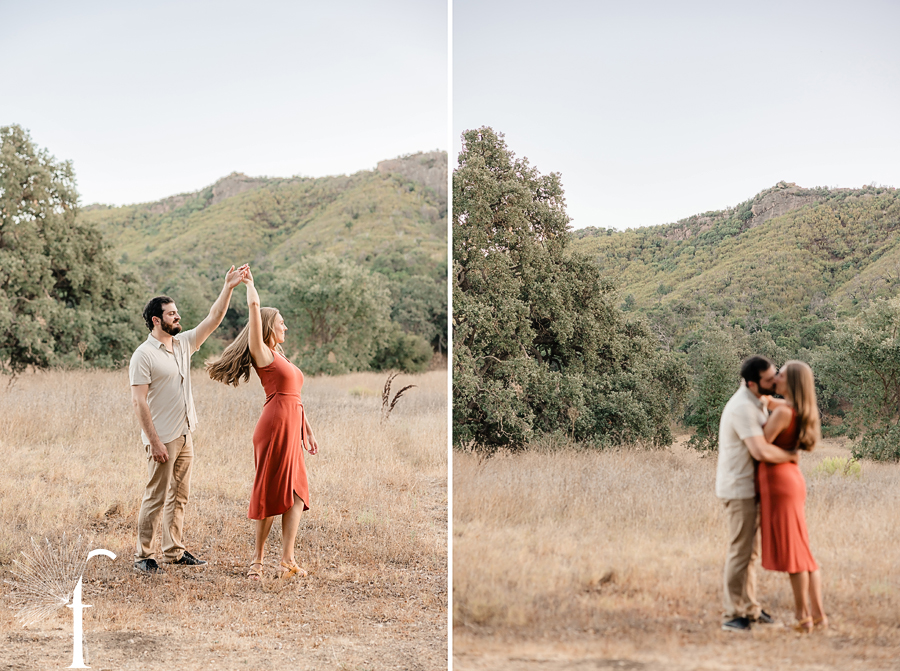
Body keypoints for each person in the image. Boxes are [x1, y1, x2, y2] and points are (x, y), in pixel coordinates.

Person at [130, 264, 249, 574]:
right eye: (171, 314)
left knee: (179, 496)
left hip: (185, 433)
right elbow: (138, 401)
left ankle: (173, 551)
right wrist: (154, 441)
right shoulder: (143, 355)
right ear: (156, 320)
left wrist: (229, 287)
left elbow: (213, 319)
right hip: (162, 437)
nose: (177, 317)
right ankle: (143, 555)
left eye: (177, 312)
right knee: (156, 496)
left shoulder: (183, 344)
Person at [206, 267, 319, 581]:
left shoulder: (281, 356)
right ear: (270, 324)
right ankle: (256, 562)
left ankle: (287, 560)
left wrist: (306, 428)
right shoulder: (262, 353)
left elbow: (294, 395)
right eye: (282, 321)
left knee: (297, 493)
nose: (286, 326)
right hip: (273, 427)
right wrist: (250, 287)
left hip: (291, 424)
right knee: (271, 491)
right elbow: (255, 309)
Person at [716, 355, 799, 631]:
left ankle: (750, 608)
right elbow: (760, 450)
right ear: (752, 383)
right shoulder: (742, 407)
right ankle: (731, 614)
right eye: (768, 379)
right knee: (740, 551)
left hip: (750, 487)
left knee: (750, 552)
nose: (774, 381)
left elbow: (784, 406)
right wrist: (790, 456)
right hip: (739, 489)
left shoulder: (756, 399)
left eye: (775, 375)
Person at [759, 360, 827, 632]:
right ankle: (818, 615)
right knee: (804, 552)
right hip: (792, 480)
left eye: (782, 374)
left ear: (792, 382)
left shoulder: (784, 413)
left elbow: (759, 443)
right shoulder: (795, 409)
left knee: (795, 555)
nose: (776, 376)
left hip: (780, 484)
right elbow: (769, 401)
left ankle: (803, 618)